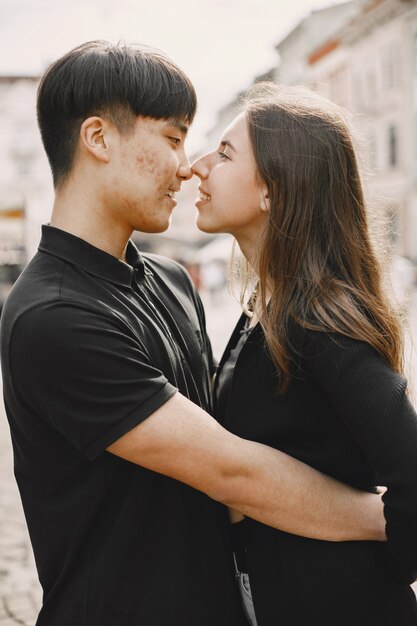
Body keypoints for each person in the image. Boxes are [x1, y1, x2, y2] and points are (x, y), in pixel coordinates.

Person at [0, 42, 385, 626]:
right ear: (99, 139)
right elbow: (233, 472)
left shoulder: (170, 279)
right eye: (174, 138)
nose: (188, 165)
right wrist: (389, 519)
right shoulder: (53, 317)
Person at [192, 82, 417, 625]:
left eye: (224, 154)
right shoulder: (266, 309)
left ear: (273, 189)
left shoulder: (319, 321)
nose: (198, 166)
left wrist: (377, 569)